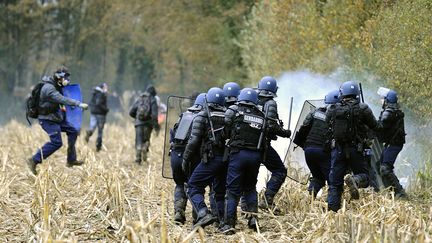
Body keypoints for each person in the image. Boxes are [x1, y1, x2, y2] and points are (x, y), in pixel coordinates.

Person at [325, 81, 379, 212]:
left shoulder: (333, 109)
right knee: (365, 177)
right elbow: (376, 127)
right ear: (357, 94)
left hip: (338, 150)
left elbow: (328, 124)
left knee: (335, 182)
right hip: (356, 149)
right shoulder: (363, 108)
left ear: (342, 93)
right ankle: (355, 180)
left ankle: (332, 211)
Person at [220, 88, 267, 234]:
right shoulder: (261, 115)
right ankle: (253, 220)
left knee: (232, 191)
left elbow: (225, 131)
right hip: (255, 156)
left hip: (238, 154)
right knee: (250, 188)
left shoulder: (234, 110)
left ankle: (229, 224)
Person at [27, 68, 89, 175]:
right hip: (47, 120)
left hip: (55, 118)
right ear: (59, 77)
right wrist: (78, 103)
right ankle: (34, 160)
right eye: (65, 78)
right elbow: (61, 99)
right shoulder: (49, 88)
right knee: (57, 142)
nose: (67, 80)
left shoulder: (57, 86)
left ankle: (71, 160)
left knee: (73, 131)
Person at [183, 87, 227, 228]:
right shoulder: (230, 115)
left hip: (211, 159)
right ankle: (223, 222)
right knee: (220, 192)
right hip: (227, 160)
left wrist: (185, 159)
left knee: (193, 186)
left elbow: (193, 141)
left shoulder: (202, 116)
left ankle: (203, 213)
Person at [294, 90, 339, 197]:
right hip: (323, 151)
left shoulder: (315, 112)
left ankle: (310, 200)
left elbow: (303, 130)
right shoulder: (337, 116)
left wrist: (305, 146)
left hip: (308, 151)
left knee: (318, 177)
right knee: (333, 181)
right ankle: (332, 207)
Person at [256, 76, 291, 210]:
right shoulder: (270, 103)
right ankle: (267, 199)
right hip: (262, 145)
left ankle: (246, 205)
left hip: (247, 145)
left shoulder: (251, 99)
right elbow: (270, 125)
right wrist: (284, 132)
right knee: (280, 171)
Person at [170, 93, 206, 224]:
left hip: (175, 156)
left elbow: (172, 136)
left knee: (180, 184)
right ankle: (198, 218)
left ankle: (179, 212)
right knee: (196, 186)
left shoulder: (184, 115)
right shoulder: (203, 117)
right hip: (191, 157)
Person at [377, 89, 407, 198]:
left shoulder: (389, 111)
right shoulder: (393, 110)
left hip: (394, 144)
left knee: (385, 168)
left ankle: (399, 193)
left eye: (382, 99)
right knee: (380, 166)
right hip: (392, 143)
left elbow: (380, 126)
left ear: (386, 100)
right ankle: (392, 193)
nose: (380, 101)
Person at [129, 85, 160, 164]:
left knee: (138, 140)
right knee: (146, 140)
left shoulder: (140, 98)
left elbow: (131, 112)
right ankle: (144, 149)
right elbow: (154, 115)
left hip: (138, 123)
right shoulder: (153, 99)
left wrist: (137, 118)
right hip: (148, 124)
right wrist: (156, 127)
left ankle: (138, 159)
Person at [85, 83, 109, 151]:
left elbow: (90, 103)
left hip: (93, 112)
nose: (107, 89)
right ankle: (98, 146)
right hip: (101, 114)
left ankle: (89, 132)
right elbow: (99, 103)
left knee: (92, 126)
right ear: (102, 87)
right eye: (106, 87)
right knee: (100, 131)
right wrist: (106, 110)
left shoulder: (94, 93)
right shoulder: (101, 94)